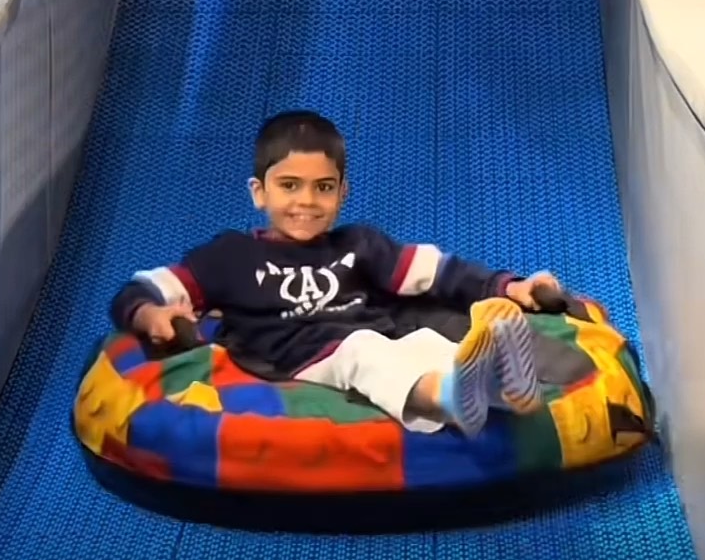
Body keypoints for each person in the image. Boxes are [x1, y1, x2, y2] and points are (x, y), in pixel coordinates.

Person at [109, 111, 563, 438]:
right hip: (301, 355)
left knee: (427, 344)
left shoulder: (359, 243)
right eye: (289, 185)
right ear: (259, 193)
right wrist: (150, 314)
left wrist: (508, 286)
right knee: (363, 353)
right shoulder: (230, 256)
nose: (307, 201)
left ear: (342, 193)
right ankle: (448, 398)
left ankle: (506, 388)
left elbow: (437, 272)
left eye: (323, 187)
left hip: (380, 335)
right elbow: (144, 288)